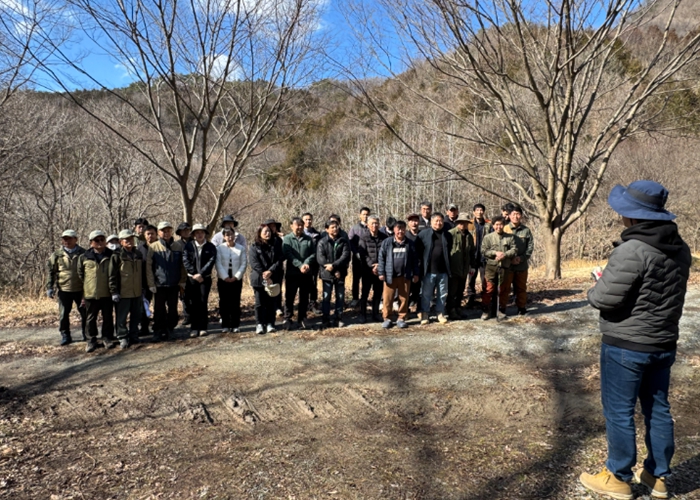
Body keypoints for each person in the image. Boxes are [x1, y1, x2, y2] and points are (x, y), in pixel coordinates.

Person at [579, 181, 691, 500]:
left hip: (625, 344)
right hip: (663, 343)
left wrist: (596, 285)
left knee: (619, 411)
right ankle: (658, 476)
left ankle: (618, 476)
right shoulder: (681, 249)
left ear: (633, 215)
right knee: (658, 409)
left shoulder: (632, 249)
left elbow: (604, 298)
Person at [147, 222, 186, 342]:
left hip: (174, 284)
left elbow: (182, 266)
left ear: (171, 231)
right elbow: (149, 267)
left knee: (173, 309)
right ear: (158, 233)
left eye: (168, 230)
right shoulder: (153, 247)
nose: (166, 233)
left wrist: (182, 281)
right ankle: (158, 330)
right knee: (159, 309)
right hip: (159, 285)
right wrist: (151, 283)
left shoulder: (178, 246)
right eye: (163, 231)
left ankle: (170, 329)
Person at [78, 230, 117, 352]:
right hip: (91, 293)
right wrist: (87, 288)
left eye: (102, 239)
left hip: (107, 292)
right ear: (91, 243)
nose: (100, 242)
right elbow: (80, 274)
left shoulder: (112, 255)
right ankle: (91, 340)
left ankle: (107, 338)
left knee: (108, 317)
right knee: (90, 318)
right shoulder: (84, 257)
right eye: (96, 240)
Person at [47, 229, 87, 346]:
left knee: (85, 313)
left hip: (81, 290)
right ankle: (65, 335)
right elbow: (51, 272)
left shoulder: (83, 253)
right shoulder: (57, 255)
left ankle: (87, 334)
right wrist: (50, 287)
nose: (67, 241)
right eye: (65, 239)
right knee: (63, 314)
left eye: (69, 238)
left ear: (76, 239)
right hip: (64, 289)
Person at [378, 221, 420, 329]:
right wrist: (381, 272)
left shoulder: (410, 243)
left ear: (405, 230)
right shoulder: (387, 242)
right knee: (388, 299)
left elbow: (415, 260)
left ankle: (401, 318)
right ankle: (387, 318)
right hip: (390, 276)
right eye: (398, 229)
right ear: (394, 230)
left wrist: (416, 273)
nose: (400, 231)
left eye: (402, 229)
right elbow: (381, 258)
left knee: (404, 298)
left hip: (405, 276)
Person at [415, 213, 452, 325]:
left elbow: (449, 250)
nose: (438, 223)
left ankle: (440, 313)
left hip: (443, 270)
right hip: (428, 271)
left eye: (440, 221)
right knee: (426, 294)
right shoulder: (423, 234)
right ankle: (425, 313)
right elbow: (418, 252)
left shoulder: (447, 235)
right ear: (431, 222)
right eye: (436, 221)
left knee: (442, 294)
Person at [109, 229, 143, 349]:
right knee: (121, 317)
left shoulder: (138, 254)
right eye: (126, 239)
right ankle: (122, 336)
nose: (129, 241)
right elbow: (112, 275)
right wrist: (114, 291)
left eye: (131, 239)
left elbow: (141, 273)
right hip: (123, 292)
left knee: (136, 315)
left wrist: (143, 288)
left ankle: (134, 335)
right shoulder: (116, 255)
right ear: (120, 241)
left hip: (137, 291)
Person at [480, 216, 517, 321]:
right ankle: (486, 311)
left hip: (505, 267)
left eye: (501, 224)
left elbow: (514, 249)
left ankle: (501, 311)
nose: (499, 227)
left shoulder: (510, 237)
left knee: (503, 290)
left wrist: (504, 255)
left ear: (503, 225)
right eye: (496, 224)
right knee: (488, 289)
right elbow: (483, 251)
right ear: (493, 225)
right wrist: (495, 253)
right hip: (491, 267)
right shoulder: (488, 237)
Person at [282, 217, 316, 330]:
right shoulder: (287, 239)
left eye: (301, 225)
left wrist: (306, 263)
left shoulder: (308, 239)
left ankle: (302, 318)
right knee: (290, 297)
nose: (300, 227)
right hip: (292, 273)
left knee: (304, 297)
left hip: (306, 273)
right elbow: (288, 254)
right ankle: (287, 318)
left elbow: (313, 253)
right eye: (297, 225)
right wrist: (299, 265)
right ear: (291, 226)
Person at [249, 224, 284, 334]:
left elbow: (279, 260)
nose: (267, 233)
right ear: (259, 233)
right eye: (265, 231)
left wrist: (270, 271)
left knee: (271, 302)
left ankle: (270, 323)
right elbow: (254, 263)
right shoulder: (254, 247)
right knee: (259, 303)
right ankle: (259, 324)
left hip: (273, 277)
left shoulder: (276, 244)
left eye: (269, 231)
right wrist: (264, 273)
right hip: (259, 278)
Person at [183, 224, 217, 338]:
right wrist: (194, 274)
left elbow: (211, 261)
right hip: (191, 278)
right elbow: (185, 260)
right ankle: (194, 328)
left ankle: (203, 327)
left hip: (205, 278)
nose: (200, 234)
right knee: (193, 302)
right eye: (197, 232)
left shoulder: (210, 246)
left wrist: (201, 274)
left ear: (205, 234)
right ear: (193, 234)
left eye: (202, 232)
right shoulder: (188, 246)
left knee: (203, 302)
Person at [316, 219, 351, 328]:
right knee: (326, 297)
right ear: (327, 229)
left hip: (340, 273)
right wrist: (333, 269)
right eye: (332, 227)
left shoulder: (343, 241)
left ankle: (338, 318)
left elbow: (345, 256)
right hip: (327, 274)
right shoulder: (322, 242)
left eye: (336, 227)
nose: (335, 229)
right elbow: (320, 258)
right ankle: (325, 318)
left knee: (340, 296)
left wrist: (335, 267)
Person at [501, 205, 534, 315]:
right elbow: (499, 245)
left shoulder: (526, 230)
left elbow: (530, 247)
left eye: (518, 214)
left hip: (521, 265)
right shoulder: (504, 229)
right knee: (505, 288)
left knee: (521, 288)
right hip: (507, 265)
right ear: (509, 216)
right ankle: (502, 309)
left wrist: (522, 258)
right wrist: (509, 258)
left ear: (521, 216)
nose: (516, 216)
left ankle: (521, 308)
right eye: (513, 214)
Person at [216, 227, 247, 333]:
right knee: (224, 302)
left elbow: (243, 263)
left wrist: (236, 276)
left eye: (231, 234)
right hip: (223, 279)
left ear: (234, 235)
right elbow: (218, 263)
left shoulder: (241, 248)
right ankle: (225, 325)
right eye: (227, 235)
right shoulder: (219, 248)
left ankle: (235, 325)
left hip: (236, 279)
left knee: (235, 301)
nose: (230, 237)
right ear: (224, 237)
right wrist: (224, 276)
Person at [358, 215, 388, 323]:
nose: (374, 225)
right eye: (372, 223)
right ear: (368, 225)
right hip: (367, 270)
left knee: (378, 293)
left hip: (380, 270)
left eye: (376, 223)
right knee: (365, 293)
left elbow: (386, 253)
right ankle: (363, 314)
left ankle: (375, 314)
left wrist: (379, 265)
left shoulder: (384, 237)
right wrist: (372, 265)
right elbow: (362, 254)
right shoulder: (363, 237)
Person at [447, 216, 475, 320]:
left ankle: (458, 308)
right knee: (452, 291)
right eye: (461, 222)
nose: (463, 225)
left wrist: (472, 266)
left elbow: (472, 252)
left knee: (460, 290)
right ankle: (451, 310)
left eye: (465, 223)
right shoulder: (450, 234)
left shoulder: (469, 236)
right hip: (453, 268)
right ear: (457, 223)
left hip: (464, 268)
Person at [466, 204, 493, 307]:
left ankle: (485, 300)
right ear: (473, 212)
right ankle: (471, 299)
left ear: (484, 212)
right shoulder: (469, 224)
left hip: (484, 257)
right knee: (471, 279)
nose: (479, 212)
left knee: (485, 279)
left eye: (481, 210)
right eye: (477, 210)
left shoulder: (488, 224)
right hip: (472, 257)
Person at [348, 207, 371, 308]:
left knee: (367, 280)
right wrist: (356, 252)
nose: (365, 216)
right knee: (356, 279)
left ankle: (364, 299)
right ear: (360, 215)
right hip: (357, 259)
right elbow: (350, 242)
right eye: (364, 214)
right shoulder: (354, 228)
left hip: (368, 259)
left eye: (367, 214)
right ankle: (355, 298)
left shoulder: (371, 227)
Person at [138, 224, 158, 336]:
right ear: (144, 235)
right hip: (144, 282)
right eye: (148, 234)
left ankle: (158, 326)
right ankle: (144, 327)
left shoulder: (160, 246)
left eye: (152, 234)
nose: (150, 236)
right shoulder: (140, 249)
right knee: (144, 306)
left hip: (158, 281)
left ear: (156, 234)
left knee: (158, 305)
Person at [264, 218, 285, 317]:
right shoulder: (262, 240)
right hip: (265, 270)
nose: (272, 228)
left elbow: (283, 254)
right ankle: (268, 309)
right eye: (270, 226)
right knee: (266, 289)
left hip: (277, 269)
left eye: (274, 226)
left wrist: (283, 237)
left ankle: (278, 308)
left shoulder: (279, 240)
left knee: (277, 289)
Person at [302, 212, 322, 314]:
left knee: (313, 284)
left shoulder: (317, 234)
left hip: (314, 263)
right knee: (303, 285)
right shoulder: (299, 233)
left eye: (310, 219)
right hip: (302, 264)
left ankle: (313, 303)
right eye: (306, 219)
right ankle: (304, 304)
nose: (308, 221)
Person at [176, 222, 193, 325]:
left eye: (188, 230)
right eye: (184, 230)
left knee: (195, 296)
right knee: (184, 297)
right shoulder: (176, 244)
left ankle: (196, 316)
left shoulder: (195, 242)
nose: (186, 232)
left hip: (193, 273)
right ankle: (187, 316)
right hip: (181, 275)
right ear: (180, 232)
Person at [405, 213, 423, 309]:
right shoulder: (405, 236)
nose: (414, 223)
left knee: (419, 290)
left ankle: (419, 309)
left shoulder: (423, 234)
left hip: (421, 267)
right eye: (411, 221)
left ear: (419, 222)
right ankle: (405, 309)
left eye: (416, 221)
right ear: (408, 223)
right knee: (407, 290)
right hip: (408, 267)